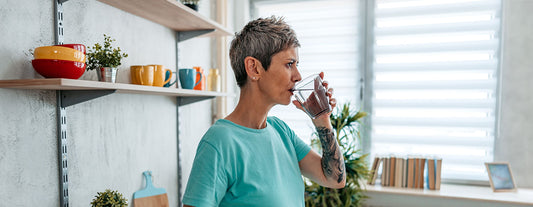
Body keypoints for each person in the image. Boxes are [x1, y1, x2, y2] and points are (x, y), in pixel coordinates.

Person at [182, 16, 345, 207]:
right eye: (289, 64)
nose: (298, 76)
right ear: (254, 68)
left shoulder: (282, 131)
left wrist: (321, 118)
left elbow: (335, 179)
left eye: (296, 65)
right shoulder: (220, 142)